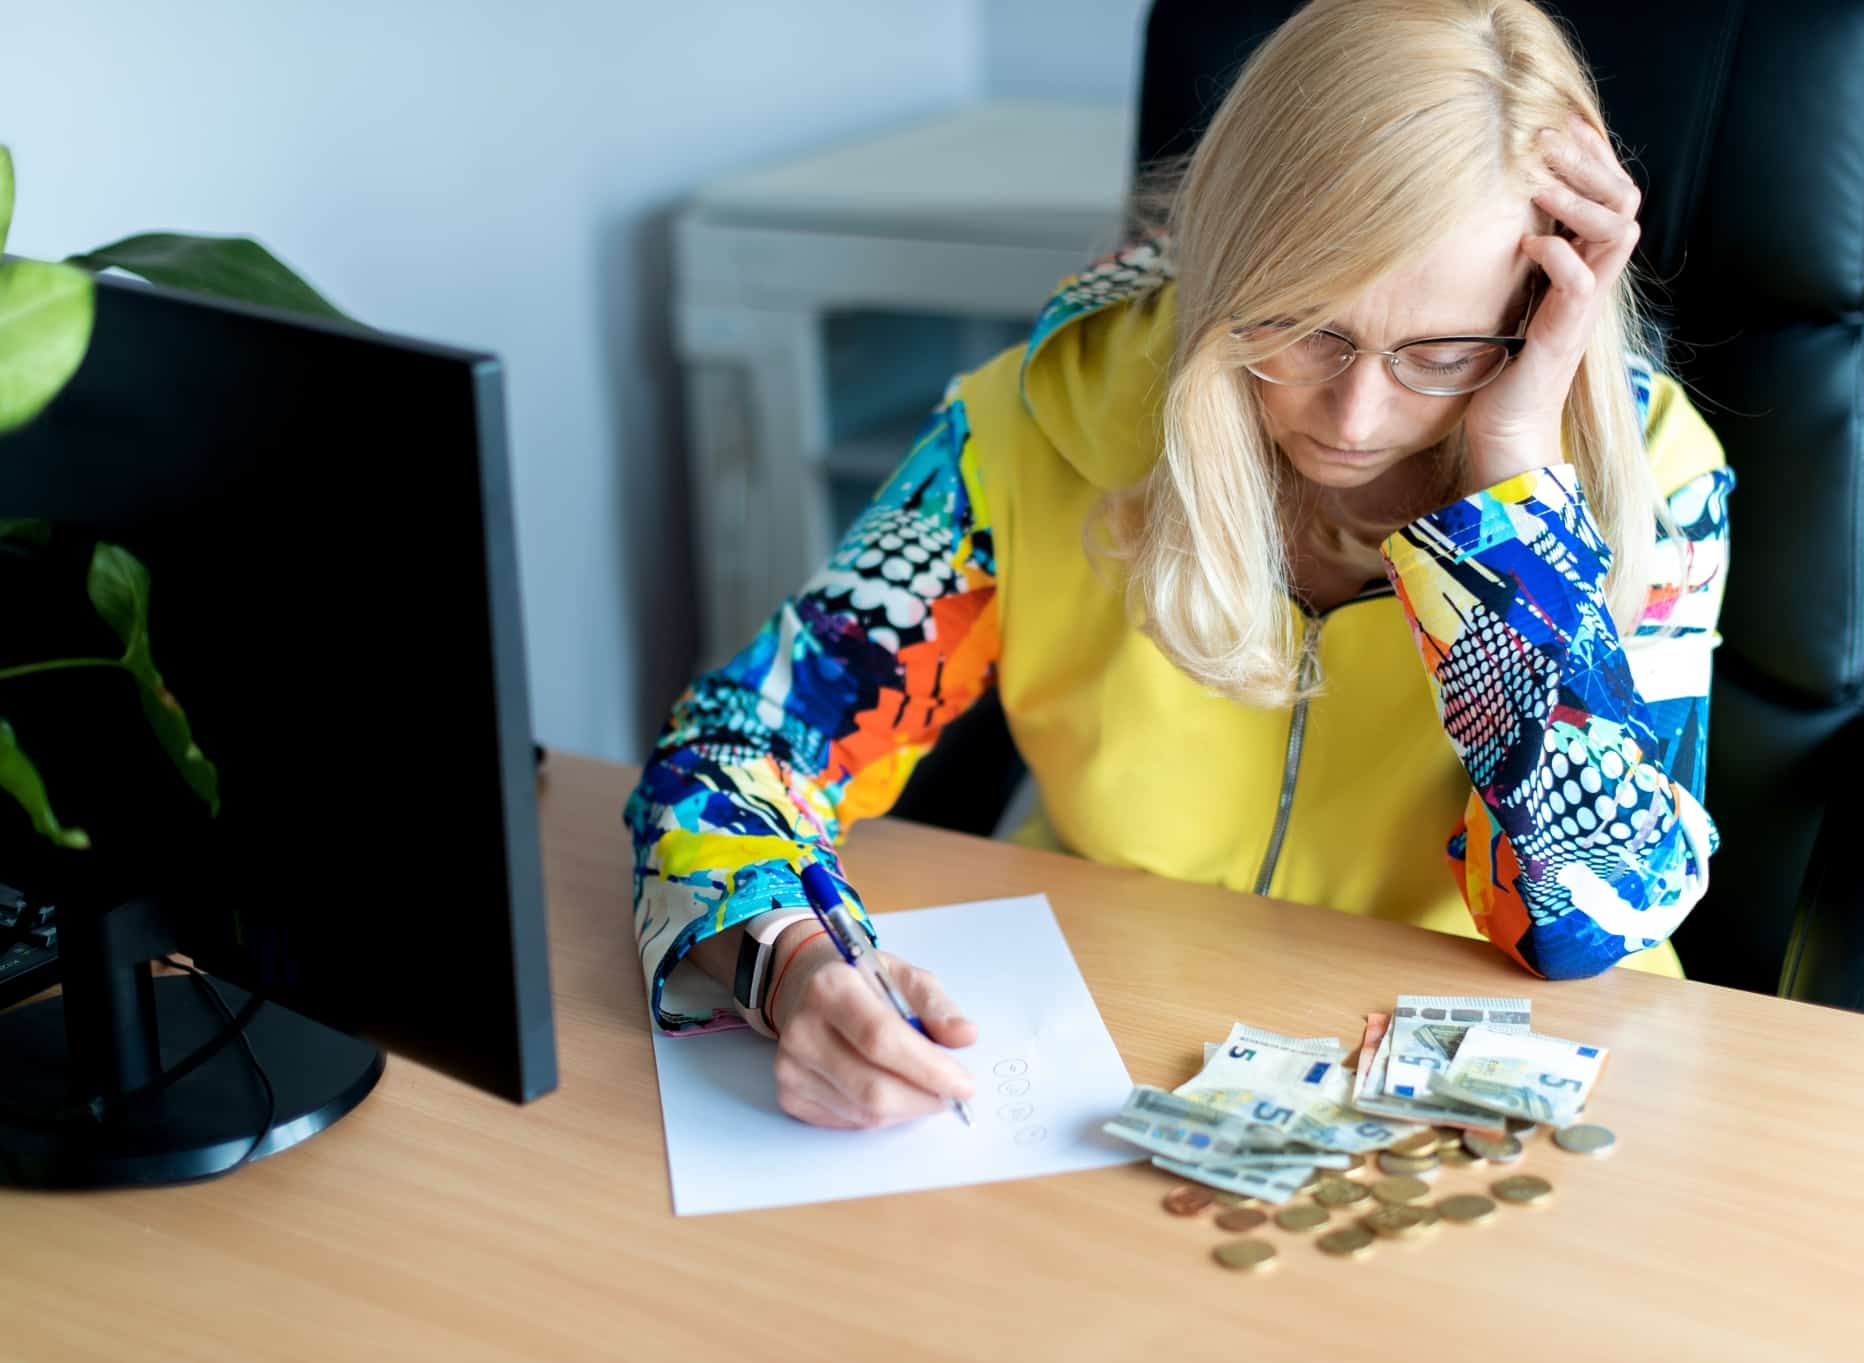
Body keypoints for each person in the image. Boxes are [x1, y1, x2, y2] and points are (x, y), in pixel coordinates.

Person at [625, 0, 1734, 1132]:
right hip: (1093, 1038)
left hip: (1477, 1086)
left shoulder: (1652, 475)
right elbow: (742, 743)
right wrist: (788, 964)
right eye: (1301, 329)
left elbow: (1586, 921)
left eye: (1440, 352)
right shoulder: (1030, 421)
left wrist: (1511, 496)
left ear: (1536, 308)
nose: (1355, 413)